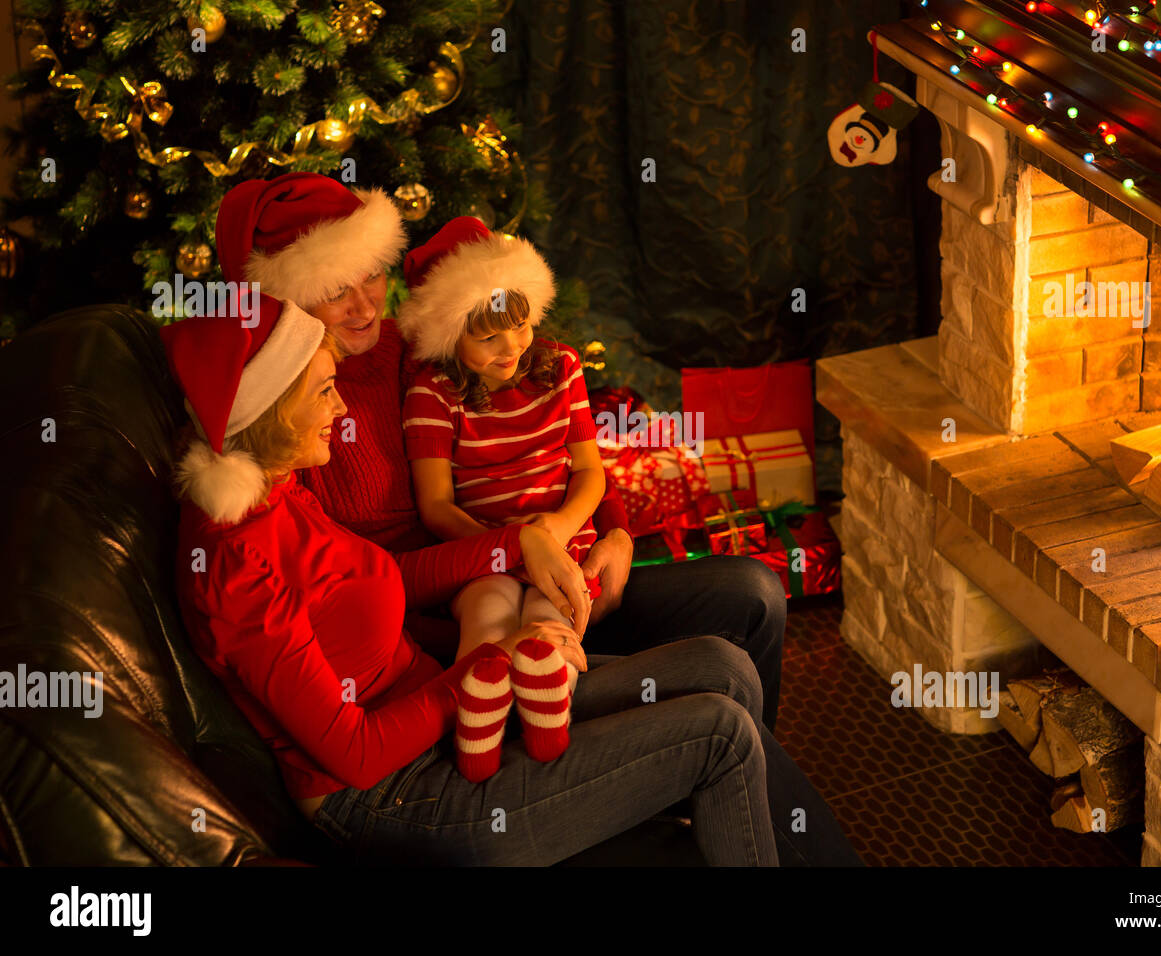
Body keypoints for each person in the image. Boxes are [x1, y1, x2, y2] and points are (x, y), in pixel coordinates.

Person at [166, 290, 780, 864]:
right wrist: (489, 659)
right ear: (270, 412)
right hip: (392, 789)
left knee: (723, 668)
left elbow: (384, 587)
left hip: (452, 704)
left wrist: (517, 547)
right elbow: (353, 754)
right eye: (325, 391)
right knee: (721, 734)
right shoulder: (235, 564)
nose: (342, 406)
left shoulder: (279, 487)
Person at [212, 172, 787, 731]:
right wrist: (513, 557)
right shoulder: (290, 419)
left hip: (552, 564)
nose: (366, 306)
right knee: (716, 680)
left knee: (756, 593)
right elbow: (361, 591)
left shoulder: (416, 344)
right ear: (286, 300)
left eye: (372, 278)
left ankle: (725, 799)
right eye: (337, 293)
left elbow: (562, 442)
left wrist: (614, 535)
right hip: (452, 625)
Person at [396, 218, 606, 718]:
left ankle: (545, 723)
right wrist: (502, 549)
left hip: (561, 549)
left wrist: (556, 529)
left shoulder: (562, 367)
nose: (511, 347)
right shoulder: (432, 394)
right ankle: (478, 725)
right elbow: (436, 505)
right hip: (481, 553)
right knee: (488, 618)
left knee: (550, 624)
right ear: (449, 337)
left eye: (520, 326)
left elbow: (590, 472)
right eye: (489, 338)